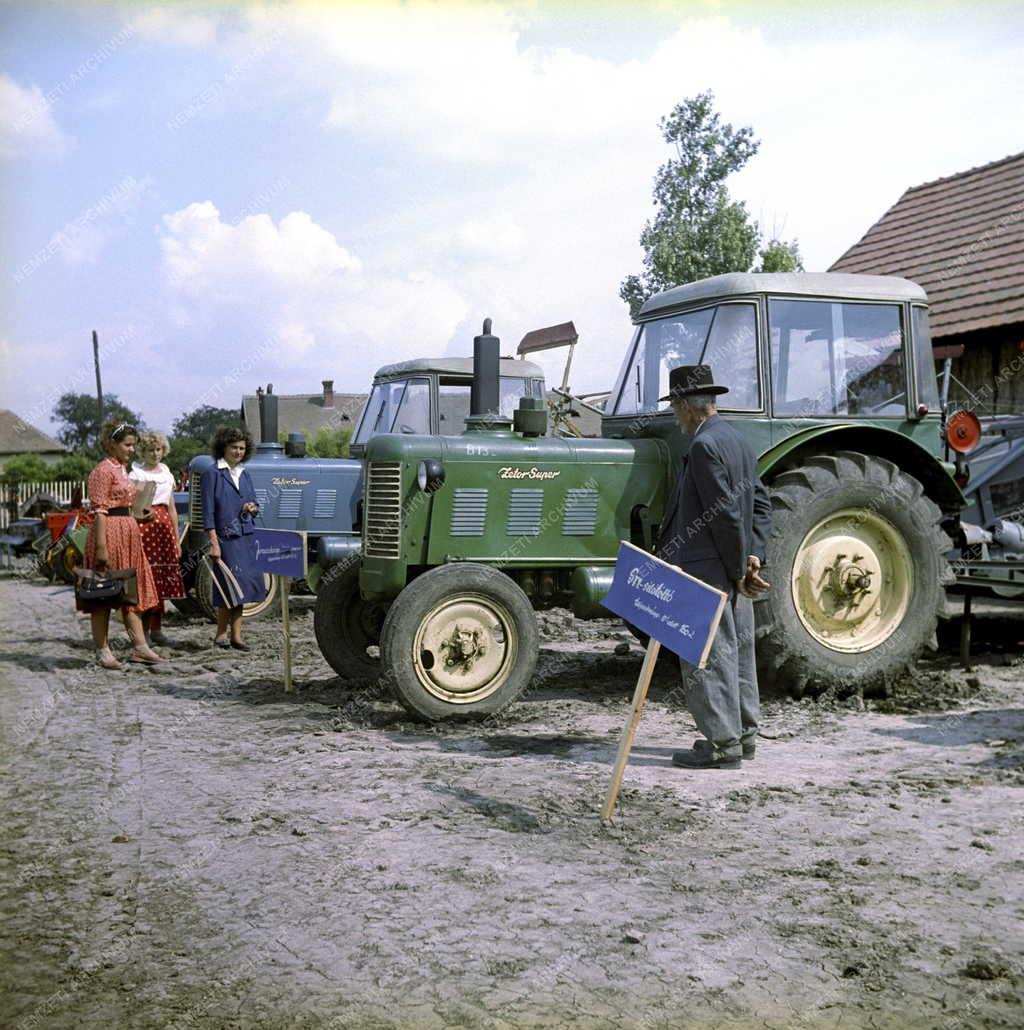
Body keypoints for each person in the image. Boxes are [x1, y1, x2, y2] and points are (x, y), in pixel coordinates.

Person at [655, 365, 772, 770]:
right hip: (733, 566)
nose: (673, 414)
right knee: (738, 652)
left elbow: (723, 515)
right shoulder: (738, 441)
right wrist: (753, 557)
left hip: (709, 569)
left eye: (673, 405)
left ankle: (722, 744)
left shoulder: (705, 447)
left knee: (706, 656)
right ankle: (744, 735)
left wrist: (739, 566)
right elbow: (759, 505)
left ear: (686, 405)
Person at [83, 420, 162, 669]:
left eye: (133, 445)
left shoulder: (122, 469)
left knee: (129, 593)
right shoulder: (102, 471)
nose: (131, 450)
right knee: (103, 593)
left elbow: (122, 506)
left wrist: (139, 516)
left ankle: (140, 647)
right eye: (127, 445)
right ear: (112, 444)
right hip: (108, 535)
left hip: (128, 533)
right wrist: (101, 548)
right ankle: (102, 650)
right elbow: (100, 512)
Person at [201, 426, 265, 651]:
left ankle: (237, 636)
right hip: (226, 539)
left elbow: (256, 503)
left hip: (247, 537)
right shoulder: (212, 474)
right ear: (223, 448)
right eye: (233, 447)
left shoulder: (244, 473)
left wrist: (252, 507)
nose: (238, 452)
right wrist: (214, 543)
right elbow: (207, 512)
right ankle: (221, 634)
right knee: (228, 586)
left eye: (241, 448)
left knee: (243, 588)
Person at [129, 431, 186, 647]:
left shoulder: (167, 474)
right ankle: (142, 632)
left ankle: (157, 629)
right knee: (146, 579)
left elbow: (171, 508)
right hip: (144, 527)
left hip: (164, 529)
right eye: (150, 450)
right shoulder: (137, 475)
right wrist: (144, 513)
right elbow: (134, 506)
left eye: (158, 449)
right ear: (143, 451)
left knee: (161, 579)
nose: (155, 454)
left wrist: (176, 537)